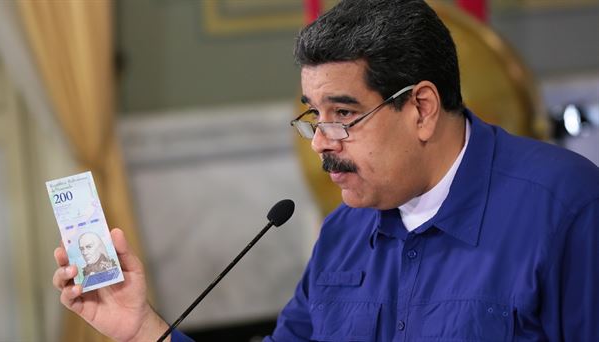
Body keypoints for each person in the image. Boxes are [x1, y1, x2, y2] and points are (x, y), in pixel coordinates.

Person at [53, 0, 599, 340]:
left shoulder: (566, 209)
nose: (319, 142)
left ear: (423, 109)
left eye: (343, 114)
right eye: (315, 115)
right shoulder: (344, 229)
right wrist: (144, 329)